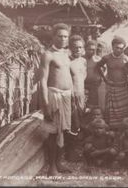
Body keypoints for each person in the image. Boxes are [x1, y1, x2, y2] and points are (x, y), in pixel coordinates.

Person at [39, 23, 73, 175]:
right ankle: (52, 167)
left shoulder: (66, 54)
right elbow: (42, 81)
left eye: (66, 36)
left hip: (66, 96)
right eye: (60, 36)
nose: (63, 39)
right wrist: (46, 104)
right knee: (53, 132)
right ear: (53, 36)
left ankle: (59, 162)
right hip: (54, 95)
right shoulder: (48, 55)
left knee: (63, 131)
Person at [96, 36, 128, 130]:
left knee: (124, 110)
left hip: (123, 88)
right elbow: (98, 66)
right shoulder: (107, 58)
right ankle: (112, 130)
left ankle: (123, 128)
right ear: (112, 47)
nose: (119, 50)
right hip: (111, 87)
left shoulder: (127, 59)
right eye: (117, 48)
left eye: (121, 48)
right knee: (111, 110)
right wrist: (104, 78)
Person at [69, 35, 87, 133]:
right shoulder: (67, 62)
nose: (78, 49)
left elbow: (83, 77)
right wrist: (71, 97)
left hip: (81, 95)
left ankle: (80, 143)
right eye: (75, 47)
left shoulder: (83, 61)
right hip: (71, 96)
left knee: (82, 120)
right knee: (73, 122)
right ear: (71, 48)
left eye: (80, 47)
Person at [84, 40, 103, 109]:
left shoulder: (98, 59)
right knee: (83, 106)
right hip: (84, 86)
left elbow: (105, 70)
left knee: (93, 106)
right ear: (85, 48)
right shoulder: (81, 59)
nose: (92, 51)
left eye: (94, 50)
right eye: (90, 49)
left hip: (95, 86)